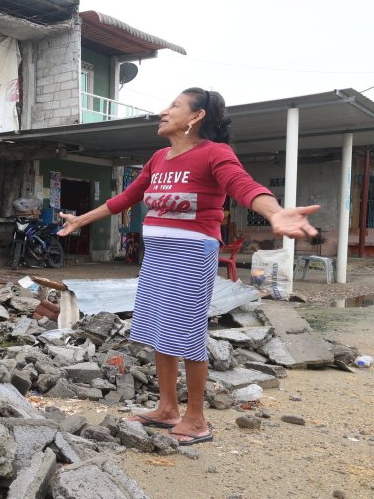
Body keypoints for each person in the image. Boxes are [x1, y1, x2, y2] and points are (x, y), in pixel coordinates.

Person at [56, 88, 319, 445]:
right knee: (157, 327)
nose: (163, 112)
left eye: (174, 107)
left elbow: (243, 186)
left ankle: (196, 419)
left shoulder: (215, 153)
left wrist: (275, 212)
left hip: (191, 254)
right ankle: (167, 409)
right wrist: (80, 220)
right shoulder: (159, 158)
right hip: (157, 256)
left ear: (196, 117)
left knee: (187, 332)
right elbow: (126, 198)